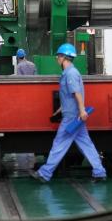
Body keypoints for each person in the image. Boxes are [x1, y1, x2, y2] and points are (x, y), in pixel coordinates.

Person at [31, 43, 106, 183]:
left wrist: (82, 111)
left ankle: (45, 173)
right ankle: (99, 171)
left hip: (72, 118)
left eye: (58, 56)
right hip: (75, 116)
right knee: (86, 145)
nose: (57, 59)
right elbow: (69, 95)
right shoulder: (69, 72)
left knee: (59, 144)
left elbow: (76, 93)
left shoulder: (70, 73)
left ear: (64, 57)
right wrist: (60, 109)